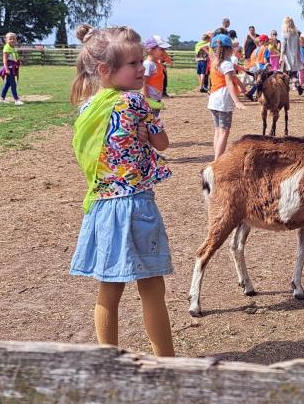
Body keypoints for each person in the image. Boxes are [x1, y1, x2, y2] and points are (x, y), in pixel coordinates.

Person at [68, 24, 174, 357]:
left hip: (102, 206)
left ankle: (107, 359)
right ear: (105, 70)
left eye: (141, 61)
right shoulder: (135, 101)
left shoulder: (86, 108)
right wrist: (147, 134)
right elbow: (163, 143)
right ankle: (166, 363)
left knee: (109, 289)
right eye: (133, 63)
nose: (142, 68)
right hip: (136, 206)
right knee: (152, 288)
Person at [207, 34, 245, 160]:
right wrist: (237, 101)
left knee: (218, 131)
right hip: (223, 101)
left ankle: (216, 159)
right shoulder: (226, 64)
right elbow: (229, 83)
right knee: (224, 132)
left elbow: (232, 78)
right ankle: (217, 161)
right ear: (229, 49)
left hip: (213, 100)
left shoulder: (214, 63)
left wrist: (241, 86)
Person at [280, 16, 304, 96]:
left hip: (287, 57)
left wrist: (281, 56)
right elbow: (298, 46)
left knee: (284, 74)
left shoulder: (284, 34)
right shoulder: (296, 34)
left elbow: (283, 46)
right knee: (293, 74)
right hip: (295, 57)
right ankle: (297, 83)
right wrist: (298, 56)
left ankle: (285, 90)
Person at [0, 32, 23, 105]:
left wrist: (18, 62)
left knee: (7, 84)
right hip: (9, 69)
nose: (12, 40)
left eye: (14, 39)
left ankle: (2, 99)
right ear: (6, 40)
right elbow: (5, 60)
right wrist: (6, 69)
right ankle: (16, 100)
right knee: (13, 84)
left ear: (16, 40)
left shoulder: (13, 48)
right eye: (10, 39)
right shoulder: (7, 48)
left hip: (13, 69)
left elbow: (13, 58)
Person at [142, 38, 166, 113]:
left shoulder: (157, 63)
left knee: (154, 118)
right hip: (150, 100)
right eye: (161, 49)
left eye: (164, 49)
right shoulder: (148, 64)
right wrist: (147, 98)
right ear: (151, 50)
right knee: (150, 118)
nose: (164, 52)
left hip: (156, 99)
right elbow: (143, 82)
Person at [245, 34, 271, 101]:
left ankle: (253, 94)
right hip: (262, 67)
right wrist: (268, 65)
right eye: (268, 40)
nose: (268, 42)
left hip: (256, 67)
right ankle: (252, 93)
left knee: (258, 82)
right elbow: (265, 60)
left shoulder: (257, 49)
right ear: (265, 41)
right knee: (261, 82)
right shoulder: (266, 49)